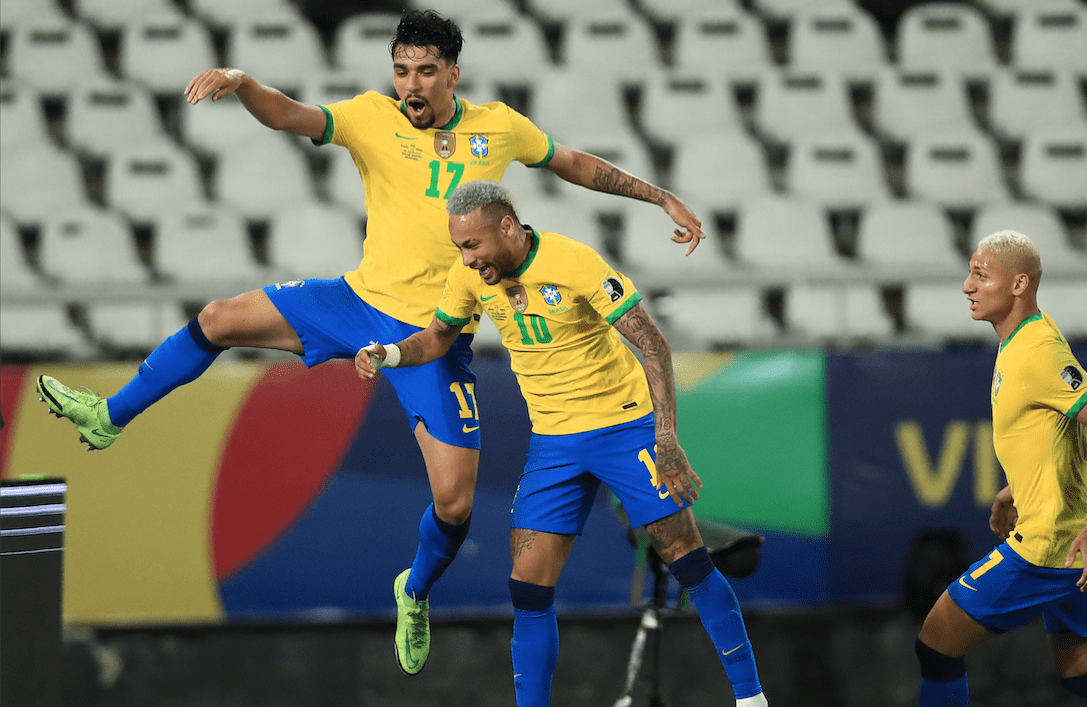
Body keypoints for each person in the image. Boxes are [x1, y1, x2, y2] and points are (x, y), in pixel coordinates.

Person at [34, 9, 707, 677]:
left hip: (432, 335)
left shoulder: (498, 125)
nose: (409, 84)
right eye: (400, 70)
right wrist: (244, 83)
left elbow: (575, 163)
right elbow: (290, 116)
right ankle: (109, 414)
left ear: (452, 75)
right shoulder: (368, 116)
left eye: (424, 72)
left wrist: (660, 197)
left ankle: (412, 590)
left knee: (456, 502)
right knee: (218, 317)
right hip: (354, 302)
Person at [354, 180, 768, 707]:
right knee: (527, 588)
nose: (467, 259)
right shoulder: (469, 278)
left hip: (626, 430)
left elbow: (653, 345)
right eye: (459, 247)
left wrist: (665, 439)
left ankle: (751, 699)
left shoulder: (576, 263)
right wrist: (388, 352)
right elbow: (437, 336)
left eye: (473, 245)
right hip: (554, 443)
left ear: (507, 227)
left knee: (687, 560)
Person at [914, 230, 1087, 706]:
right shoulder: (1031, 333)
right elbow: (1061, 431)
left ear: (1018, 284)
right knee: (1084, 674)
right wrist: (1018, 488)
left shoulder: (1037, 353)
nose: (967, 286)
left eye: (980, 274)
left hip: (1054, 544)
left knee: (935, 645)